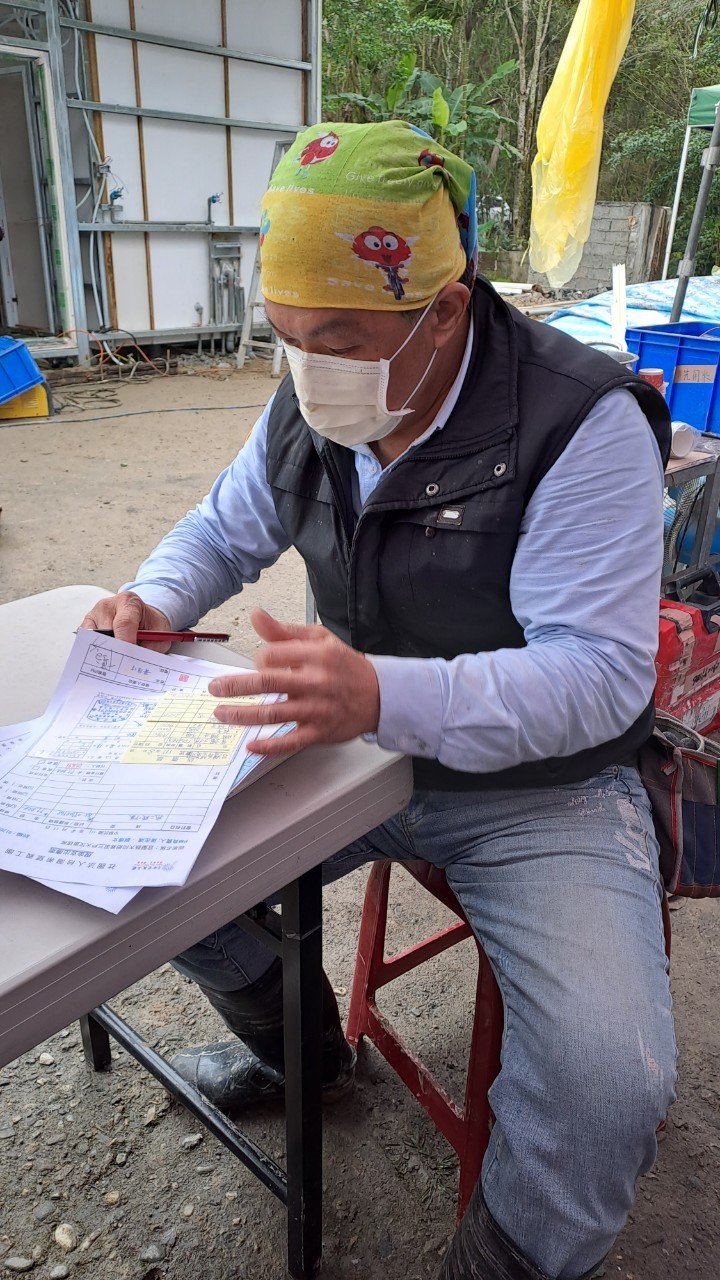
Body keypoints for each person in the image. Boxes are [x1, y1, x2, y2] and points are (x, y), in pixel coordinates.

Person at [81, 121, 676, 1280]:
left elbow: (598, 676)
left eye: (340, 341)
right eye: (288, 336)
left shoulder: (582, 422)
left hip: (538, 787)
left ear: (445, 311)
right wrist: (151, 598)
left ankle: (509, 1258)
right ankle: (305, 1057)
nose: (309, 371)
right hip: (350, 742)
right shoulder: (315, 400)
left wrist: (376, 692)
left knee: (608, 1079)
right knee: (141, 871)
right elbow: (223, 527)